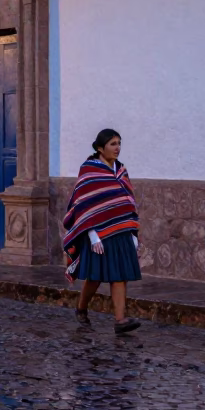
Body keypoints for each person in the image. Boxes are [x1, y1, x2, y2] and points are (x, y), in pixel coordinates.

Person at [61, 129, 142, 335]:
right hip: (97, 234)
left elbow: (126, 202)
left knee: (120, 276)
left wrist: (132, 232)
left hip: (120, 230)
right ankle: (81, 308)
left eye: (119, 143)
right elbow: (84, 205)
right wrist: (92, 235)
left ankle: (120, 320)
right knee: (95, 277)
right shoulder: (89, 171)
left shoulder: (120, 170)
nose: (117, 148)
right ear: (100, 147)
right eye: (113, 144)